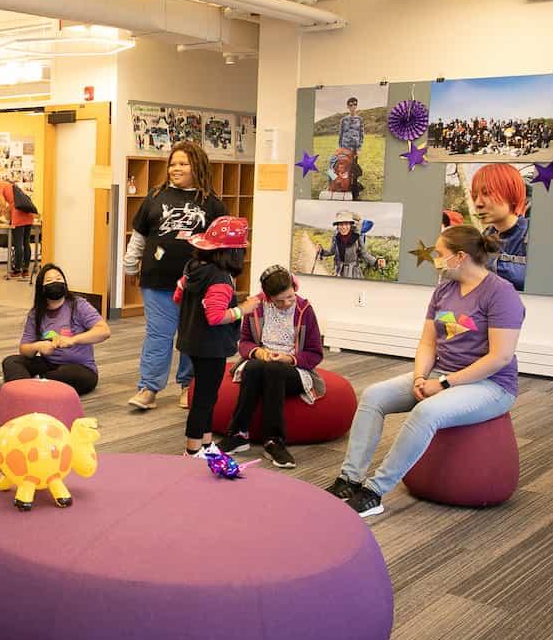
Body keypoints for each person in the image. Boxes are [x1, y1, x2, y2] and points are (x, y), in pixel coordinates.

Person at [328, 225, 524, 518]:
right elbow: (427, 343)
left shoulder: (501, 294)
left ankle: (374, 491)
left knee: (426, 412)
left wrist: (444, 384)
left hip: (491, 385)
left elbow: (499, 357)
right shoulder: (445, 288)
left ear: (460, 257)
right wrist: (420, 377)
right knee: (374, 396)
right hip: (441, 374)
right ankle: (350, 479)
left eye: (440, 254)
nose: (436, 259)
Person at [123, 141, 227, 412]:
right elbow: (139, 236)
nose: (175, 169)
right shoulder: (156, 196)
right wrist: (130, 265)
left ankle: (188, 385)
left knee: (192, 335)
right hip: (157, 280)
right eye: (172, 164)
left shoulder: (213, 204)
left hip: (198, 283)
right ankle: (149, 388)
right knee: (158, 334)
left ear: (198, 167)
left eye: (183, 164)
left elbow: (222, 246)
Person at [219, 265, 326, 468]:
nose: (286, 304)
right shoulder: (256, 308)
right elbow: (245, 342)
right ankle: (238, 434)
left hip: (294, 369)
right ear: (268, 298)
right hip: (261, 363)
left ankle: (274, 440)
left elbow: (315, 353)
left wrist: (288, 359)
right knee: (254, 367)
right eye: (279, 301)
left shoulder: (305, 310)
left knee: (274, 369)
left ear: (295, 288)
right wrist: (259, 352)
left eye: (290, 298)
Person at [174, 216, 259, 457]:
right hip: (211, 346)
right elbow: (215, 317)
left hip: (192, 341)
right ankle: (192, 449)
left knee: (207, 394)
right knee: (204, 398)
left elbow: (177, 297)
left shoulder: (192, 270)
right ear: (233, 253)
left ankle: (206, 443)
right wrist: (244, 308)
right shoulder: (221, 279)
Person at [0, 264, 111, 396]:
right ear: (42, 288)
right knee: (11, 361)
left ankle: (22, 385)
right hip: (49, 363)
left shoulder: (79, 305)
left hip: (79, 368)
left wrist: (73, 340)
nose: (55, 283)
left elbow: (104, 331)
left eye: (59, 279)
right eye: (49, 281)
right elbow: (24, 350)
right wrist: (37, 346)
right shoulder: (36, 313)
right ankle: (32, 386)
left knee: (73, 375)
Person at [470, 164, 530, 292]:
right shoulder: (485, 235)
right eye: (475, 196)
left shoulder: (534, 233)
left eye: (487, 194)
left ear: (512, 195)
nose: (478, 204)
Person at [0, 173, 36, 279]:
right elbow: (11, 203)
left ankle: (17, 271)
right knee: (26, 243)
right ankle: (25, 270)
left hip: (19, 214)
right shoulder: (7, 184)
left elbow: (3, 203)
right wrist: (5, 211)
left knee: (18, 244)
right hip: (28, 213)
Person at [315, 210, 386, 279]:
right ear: (337, 226)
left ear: (350, 225)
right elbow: (332, 251)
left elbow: (363, 254)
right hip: (338, 271)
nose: (343, 227)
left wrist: (376, 262)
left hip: (353, 273)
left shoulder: (356, 237)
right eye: (341, 224)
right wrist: (321, 251)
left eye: (346, 224)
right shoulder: (336, 237)